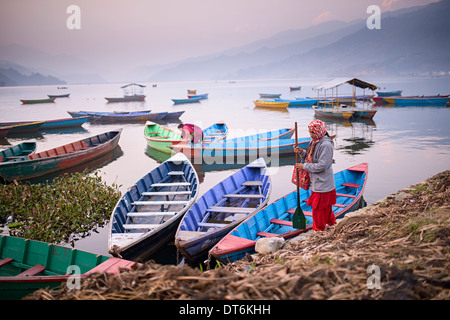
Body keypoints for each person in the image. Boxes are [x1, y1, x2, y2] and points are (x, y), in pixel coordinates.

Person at [294, 119, 336, 231]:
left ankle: (319, 231)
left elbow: (322, 165)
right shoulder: (315, 142)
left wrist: (304, 167)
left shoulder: (326, 145)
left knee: (318, 211)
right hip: (317, 182)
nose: (311, 135)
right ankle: (332, 225)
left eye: (312, 132)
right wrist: (302, 153)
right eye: (309, 132)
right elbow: (311, 158)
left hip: (323, 184)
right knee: (326, 209)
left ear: (320, 131)